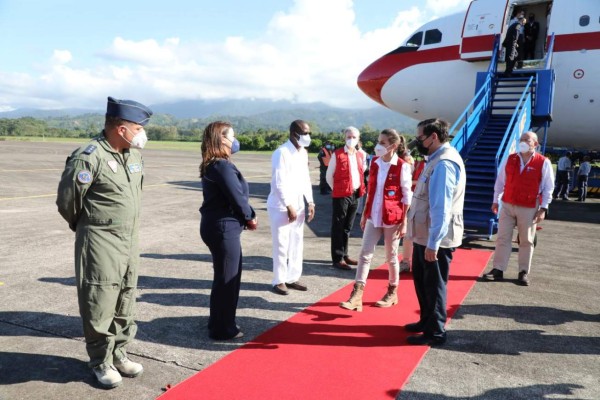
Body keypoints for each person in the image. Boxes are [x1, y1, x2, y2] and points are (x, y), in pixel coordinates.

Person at [56, 96, 153, 389]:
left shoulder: (133, 156)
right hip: (100, 241)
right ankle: (100, 361)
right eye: (138, 128)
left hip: (129, 239)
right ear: (121, 129)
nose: (142, 134)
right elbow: (68, 201)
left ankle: (119, 352)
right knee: (99, 300)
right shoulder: (88, 156)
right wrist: (87, 227)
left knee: (125, 297)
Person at [405, 118, 466, 346]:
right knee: (422, 282)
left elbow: (442, 207)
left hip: (435, 237)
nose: (418, 142)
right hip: (425, 233)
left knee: (434, 286)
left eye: (420, 138)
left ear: (434, 137)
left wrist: (434, 243)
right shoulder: (435, 159)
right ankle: (426, 321)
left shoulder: (444, 164)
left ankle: (436, 332)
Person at [339, 129, 412, 311]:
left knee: (391, 256)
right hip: (374, 215)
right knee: (365, 253)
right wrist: (365, 213)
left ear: (393, 146)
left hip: (392, 217)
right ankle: (357, 294)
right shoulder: (375, 163)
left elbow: (406, 195)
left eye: (383, 142)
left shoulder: (402, 166)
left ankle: (392, 291)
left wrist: (404, 221)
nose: (378, 146)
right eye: (378, 141)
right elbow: (371, 190)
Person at [199, 121, 257, 341]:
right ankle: (223, 328)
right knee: (228, 279)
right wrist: (250, 216)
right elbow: (237, 196)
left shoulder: (214, 164)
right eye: (231, 136)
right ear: (221, 139)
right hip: (224, 227)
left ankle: (219, 321)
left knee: (225, 276)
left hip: (218, 226)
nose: (234, 141)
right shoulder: (221, 166)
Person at [483, 131, 554, 286]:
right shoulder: (511, 159)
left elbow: (549, 187)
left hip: (529, 206)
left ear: (535, 144)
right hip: (508, 204)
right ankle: (498, 269)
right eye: (521, 139)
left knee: (526, 240)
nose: (523, 142)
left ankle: (523, 272)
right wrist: (496, 200)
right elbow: (500, 181)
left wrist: (543, 209)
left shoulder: (543, 162)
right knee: (502, 238)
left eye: (527, 140)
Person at [267, 120, 316, 295]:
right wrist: (288, 205)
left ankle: (292, 277)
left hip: (299, 205)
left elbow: (305, 179)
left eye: (309, 132)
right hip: (281, 206)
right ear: (294, 133)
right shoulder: (281, 153)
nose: (307, 136)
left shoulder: (303, 153)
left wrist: (310, 202)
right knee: (281, 244)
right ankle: (279, 280)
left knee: (297, 242)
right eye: (304, 133)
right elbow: (278, 183)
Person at [326, 126, 367, 270]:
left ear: (358, 139)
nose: (351, 139)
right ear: (344, 138)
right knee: (338, 226)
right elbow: (329, 176)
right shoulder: (337, 154)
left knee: (347, 227)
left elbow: (362, 173)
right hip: (341, 195)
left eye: (354, 137)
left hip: (355, 194)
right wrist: (338, 189)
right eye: (348, 137)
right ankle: (337, 258)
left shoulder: (360, 155)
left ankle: (345, 254)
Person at [399, 153, 426, 272]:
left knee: (425, 235)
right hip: (414, 200)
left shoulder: (440, 163)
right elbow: (410, 181)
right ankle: (405, 261)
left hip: (429, 203)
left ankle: (423, 263)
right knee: (409, 234)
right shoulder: (419, 163)